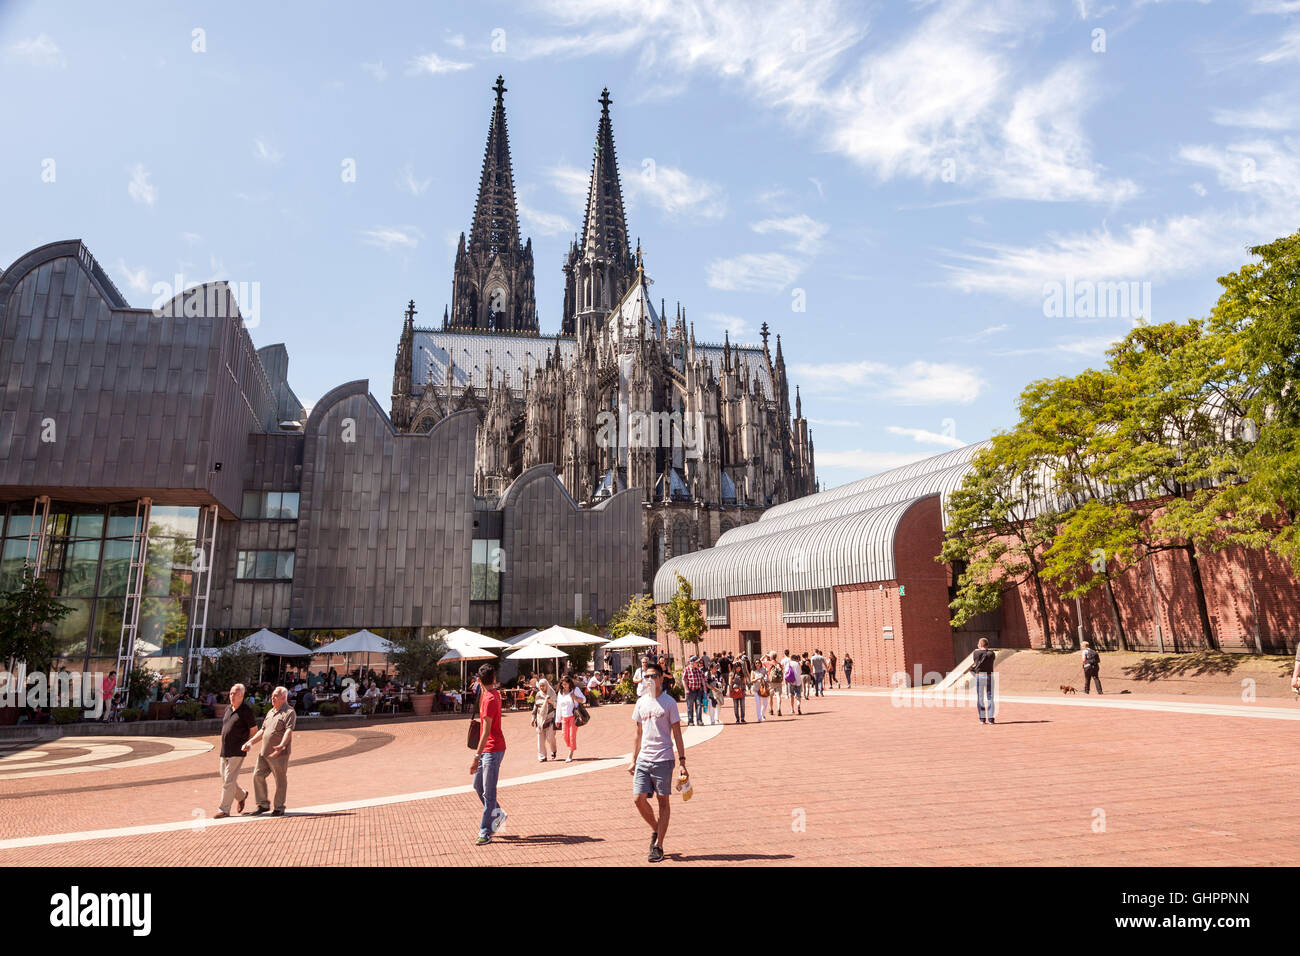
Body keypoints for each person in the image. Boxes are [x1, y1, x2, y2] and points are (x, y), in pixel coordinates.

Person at [629, 660, 688, 864]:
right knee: (638, 799)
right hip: (644, 758)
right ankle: (656, 828)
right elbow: (638, 732)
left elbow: (678, 734)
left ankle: (659, 845)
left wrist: (682, 761)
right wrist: (633, 759)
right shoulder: (641, 702)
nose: (650, 679)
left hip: (664, 758)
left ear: (662, 678)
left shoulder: (669, 702)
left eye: (654, 676)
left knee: (663, 801)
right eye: (647, 676)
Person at [242, 685, 295, 816]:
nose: (272, 698)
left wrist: (282, 745)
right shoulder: (271, 712)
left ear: (283, 697)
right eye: (272, 696)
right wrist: (250, 742)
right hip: (264, 753)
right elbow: (263, 730)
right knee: (257, 775)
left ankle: (279, 807)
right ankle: (263, 804)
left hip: (279, 754)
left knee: (280, 780)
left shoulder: (289, 712)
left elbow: (289, 731)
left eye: (275, 696)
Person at [471, 663, 507, 845]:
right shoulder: (491, 695)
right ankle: (498, 814)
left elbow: (485, 732)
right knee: (478, 786)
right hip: (490, 749)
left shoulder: (490, 699)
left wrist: (476, 757)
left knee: (488, 793)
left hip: (492, 749)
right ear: (494, 679)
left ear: (479, 680)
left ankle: (485, 831)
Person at [214, 683, 254, 818]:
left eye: (234, 694)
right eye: (231, 693)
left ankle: (224, 809)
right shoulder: (228, 709)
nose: (231, 696)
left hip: (237, 750)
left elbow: (254, 730)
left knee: (229, 781)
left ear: (241, 695)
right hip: (225, 750)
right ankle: (242, 795)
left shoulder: (246, 711)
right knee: (225, 779)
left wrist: (247, 744)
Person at [555, 675, 586, 762]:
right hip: (564, 717)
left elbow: (584, 700)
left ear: (569, 683)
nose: (564, 686)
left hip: (573, 716)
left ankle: (570, 753)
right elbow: (558, 706)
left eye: (565, 684)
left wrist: (575, 698)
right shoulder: (560, 693)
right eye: (562, 684)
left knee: (572, 735)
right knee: (565, 736)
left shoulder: (575, 690)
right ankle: (571, 747)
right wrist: (557, 720)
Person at [969, 638, 997, 724]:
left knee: (980, 698)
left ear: (980, 645)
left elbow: (975, 661)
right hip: (989, 676)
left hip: (979, 676)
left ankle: (982, 719)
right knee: (990, 697)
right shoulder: (992, 654)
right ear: (987, 645)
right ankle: (991, 719)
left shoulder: (976, 653)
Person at [532, 677, 558, 761]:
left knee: (550, 737)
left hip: (550, 718)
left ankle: (553, 750)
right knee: (540, 739)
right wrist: (533, 717)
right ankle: (542, 756)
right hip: (540, 719)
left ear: (547, 685)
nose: (542, 687)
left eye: (543, 686)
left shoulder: (552, 693)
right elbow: (535, 706)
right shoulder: (538, 695)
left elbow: (557, 705)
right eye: (540, 686)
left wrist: (551, 702)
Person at [683, 656, 706, 726]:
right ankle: (690, 721)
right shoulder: (686, 669)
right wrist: (686, 689)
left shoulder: (698, 670)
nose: (698, 663)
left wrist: (704, 688)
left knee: (699, 705)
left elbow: (702, 679)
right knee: (690, 706)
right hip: (690, 691)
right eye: (697, 662)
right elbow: (683, 679)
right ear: (692, 662)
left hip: (698, 690)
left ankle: (699, 721)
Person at [752, 656, 769, 722]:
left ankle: (762, 714)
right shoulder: (753, 671)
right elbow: (751, 680)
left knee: (765, 704)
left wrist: (766, 678)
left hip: (763, 688)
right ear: (754, 664)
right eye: (756, 663)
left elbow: (767, 677)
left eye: (758, 663)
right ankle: (759, 718)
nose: (757, 664)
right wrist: (757, 679)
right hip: (756, 689)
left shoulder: (763, 669)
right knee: (758, 704)